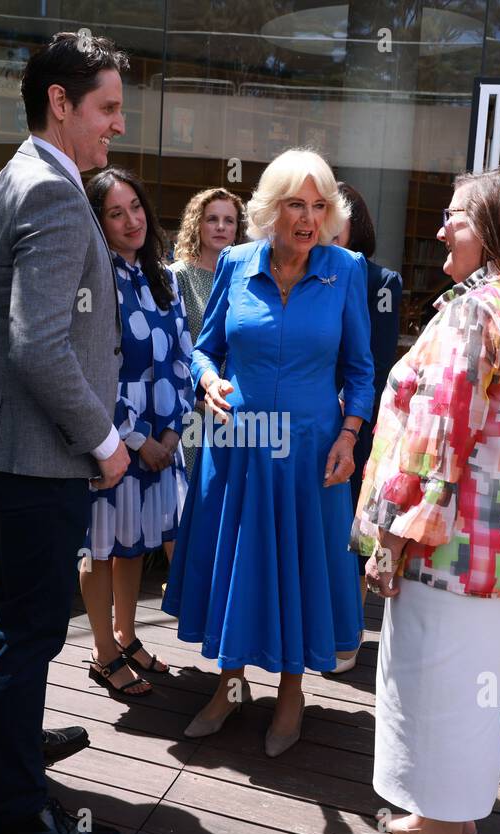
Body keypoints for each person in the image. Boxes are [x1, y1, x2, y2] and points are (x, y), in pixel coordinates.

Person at [351, 164, 500, 834]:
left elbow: (435, 436)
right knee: (474, 681)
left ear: (495, 231)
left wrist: (389, 536)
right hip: (499, 545)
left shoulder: (477, 310)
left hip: (447, 545)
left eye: (457, 218)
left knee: (435, 684)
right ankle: (449, 819)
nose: (442, 228)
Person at [0, 32, 128, 834]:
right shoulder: (54, 193)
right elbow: (39, 344)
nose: (117, 126)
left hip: (11, 448)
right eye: (107, 107)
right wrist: (105, 441)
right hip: (40, 455)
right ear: (61, 104)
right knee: (28, 634)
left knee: (2, 622)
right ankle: (21, 808)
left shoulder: (17, 174)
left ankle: (11, 756)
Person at [163, 148, 374, 758]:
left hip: (311, 450)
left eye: (318, 206)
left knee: (297, 569)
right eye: (295, 204)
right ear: (270, 209)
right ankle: (229, 690)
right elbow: (205, 350)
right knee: (237, 566)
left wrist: (348, 435)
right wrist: (206, 382)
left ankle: (290, 695)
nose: (308, 218)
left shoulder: (345, 269)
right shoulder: (234, 261)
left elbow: (360, 370)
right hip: (237, 444)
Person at [81, 167, 193, 697]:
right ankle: (102, 652)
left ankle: (127, 634)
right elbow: (93, 368)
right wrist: (136, 439)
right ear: (98, 223)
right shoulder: (95, 279)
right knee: (100, 548)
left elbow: (183, 358)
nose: (131, 221)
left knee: (133, 545)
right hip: (113, 443)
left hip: (160, 443)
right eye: (115, 212)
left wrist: (170, 435)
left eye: (136, 207)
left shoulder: (162, 276)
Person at [330, 181, 402, 674]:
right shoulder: (303, 271)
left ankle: (348, 632)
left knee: (352, 531)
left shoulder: (382, 281)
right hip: (310, 418)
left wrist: (354, 419)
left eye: (333, 214)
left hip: (358, 420)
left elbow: (376, 363)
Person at [169, 188, 245, 477]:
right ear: (196, 224)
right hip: (192, 410)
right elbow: (172, 347)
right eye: (212, 219)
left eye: (229, 220)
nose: (221, 227)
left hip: (235, 413)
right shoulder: (178, 275)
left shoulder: (246, 279)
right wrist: (195, 396)